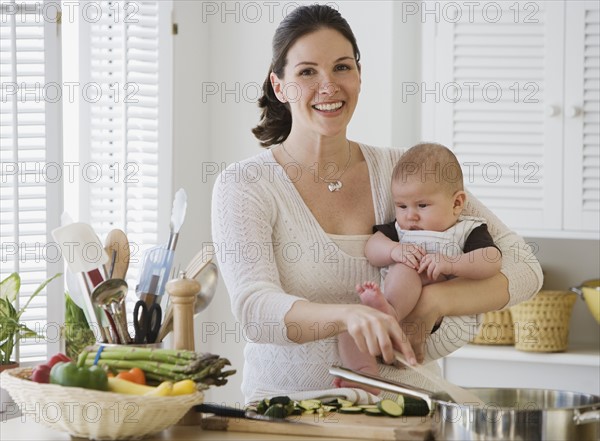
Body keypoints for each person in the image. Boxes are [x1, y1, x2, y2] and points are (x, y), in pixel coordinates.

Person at [211, 4, 542, 404]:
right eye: (307, 71)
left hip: (411, 410)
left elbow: (525, 267)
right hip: (291, 415)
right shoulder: (246, 184)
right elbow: (256, 312)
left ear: (360, 75)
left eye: (342, 67)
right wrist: (351, 315)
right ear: (280, 87)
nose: (329, 86)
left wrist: (435, 302)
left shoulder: (405, 171)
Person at [336, 143, 502, 387]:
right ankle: (365, 375)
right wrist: (395, 250)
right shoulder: (400, 230)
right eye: (402, 206)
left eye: (422, 206)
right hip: (397, 311)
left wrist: (453, 263)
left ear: (457, 204)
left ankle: (388, 311)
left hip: (434, 319)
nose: (410, 216)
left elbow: (492, 261)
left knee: (407, 270)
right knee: (348, 327)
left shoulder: (466, 229)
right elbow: (373, 248)